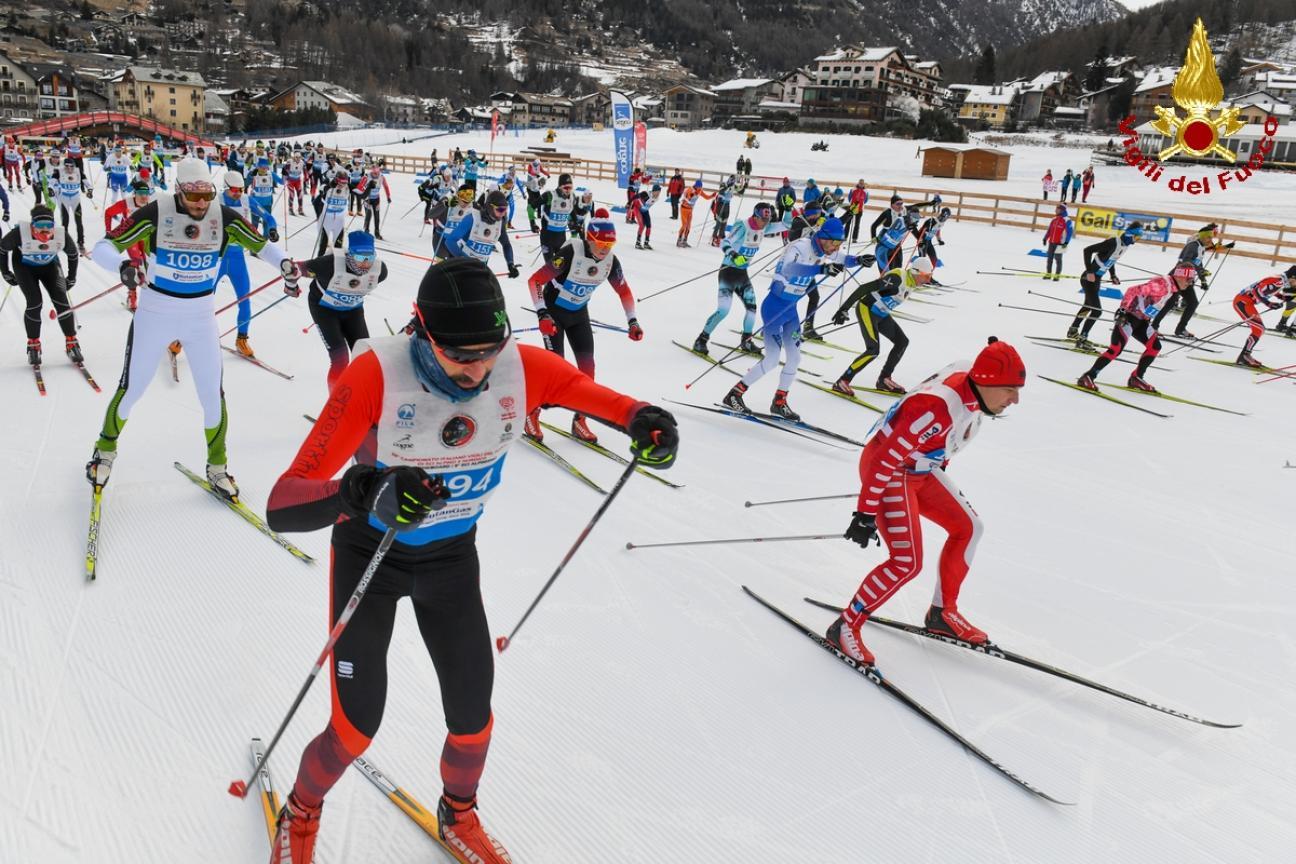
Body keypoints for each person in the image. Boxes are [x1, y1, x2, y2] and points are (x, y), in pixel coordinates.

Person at [261, 257, 678, 864]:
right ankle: (300, 812)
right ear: (421, 330)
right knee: (354, 729)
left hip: (451, 558)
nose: (477, 369)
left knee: (473, 717)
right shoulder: (376, 374)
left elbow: (602, 400)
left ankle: (459, 813)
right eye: (459, 354)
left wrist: (646, 420)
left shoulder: (520, 367)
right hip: (370, 557)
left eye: (490, 350)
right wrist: (359, 491)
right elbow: (282, 505)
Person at [85, 159, 296, 498]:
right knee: (132, 388)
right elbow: (103, 246)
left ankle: (217, 467)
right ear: (179, 190)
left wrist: (285, 263)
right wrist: (122, 264)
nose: (200, 203)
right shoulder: (156, 212)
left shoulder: (223, 216)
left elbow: (262, 245)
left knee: (212, 395)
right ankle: (104, 451)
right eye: (193, 196)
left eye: (206, 195)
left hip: (200, 316)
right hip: (155, 312)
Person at [823, 338, 1026, 663]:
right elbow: (884, 459)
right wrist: (865, 513)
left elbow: (945, 433)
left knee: (969, 528)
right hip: (890, 470)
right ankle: (845, 627)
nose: (1014, 399)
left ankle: (942, 614)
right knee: (907, 561)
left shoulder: (970, 376)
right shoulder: (936, 409)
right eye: (1009, 390)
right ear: (986, 382)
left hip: (920, 467)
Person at [722, 217, 870, 420]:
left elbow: (844, 259)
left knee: (795, 357)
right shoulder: (799, 247)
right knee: (773, 359)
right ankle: (734, 394)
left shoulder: (825, 249)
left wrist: (859, 260)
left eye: (839, 244)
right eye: (834, 243)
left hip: (791, 309)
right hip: (774, 307)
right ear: (823, 238)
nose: (836, 247)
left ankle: (779, 402)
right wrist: (822, 269)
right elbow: (789, 270)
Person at [524, 209, 643, 443]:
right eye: (599, 244)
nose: (604, 250)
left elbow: (624, 291)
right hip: (554, 314)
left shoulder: (610, 261)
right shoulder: (570, 252)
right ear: (589, 239)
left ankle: (580, 421)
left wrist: (632, 321)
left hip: (579, 315)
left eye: (609, 245)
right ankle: (531, 413)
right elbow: (535, 280)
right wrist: (542, 314)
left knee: (587, 373)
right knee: (553, 372)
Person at [1076, 264, 1194, 394]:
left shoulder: (1171, 288)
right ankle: (1088, 376)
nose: (1190, 283)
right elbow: (1132, 290)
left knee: (1155, 347)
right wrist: (1122, 310)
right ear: (1179, 276)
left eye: (1192, 280)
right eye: (1188, 279)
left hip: (1142, 320)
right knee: (1116, 348)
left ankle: (1136, 378)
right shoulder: (1162, 285)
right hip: (1128, 317)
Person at [692, 202, 791, 356]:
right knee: (723, 310)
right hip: (728, 272)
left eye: (767, 220)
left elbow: (786, 225)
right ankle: (701, 340)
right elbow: (725, 242)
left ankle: (746, 340)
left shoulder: (764, 227)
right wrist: (733, 255)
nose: (765, 223)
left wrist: (789, 209)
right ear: (755, 215)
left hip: (742, 274)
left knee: (751, 308)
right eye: (762, 220)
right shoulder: (743, 226)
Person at [297, 230, 389, 389]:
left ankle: (361, 397)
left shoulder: (380, 271)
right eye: (360, 258)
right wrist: (291, 279)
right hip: (324, 310)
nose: (365, 263)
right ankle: (335, 405)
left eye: (370, 257)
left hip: (353, 311)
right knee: (340, 358)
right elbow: (298, 268)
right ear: (350, 255)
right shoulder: (329, 264)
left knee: (365, 356)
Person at [829, 257, 931, 396]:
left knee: (902, 342)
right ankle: (842, 381)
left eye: (929, 276)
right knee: (873, 350)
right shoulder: (897, 278)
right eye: (925, 276)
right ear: (915, 271)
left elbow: (885, 294)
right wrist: (843, 309)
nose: (927, 280)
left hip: (881, 314)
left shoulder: (911, 282)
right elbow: (864, 288)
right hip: (867, 309)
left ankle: (884, 379)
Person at [0, 204, 81, 367]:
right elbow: (2, 248)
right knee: (35, 302)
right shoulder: (19, 233)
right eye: (39, 226)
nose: (45, 231)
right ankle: (33, 344)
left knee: (62, 302)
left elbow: (73, 254)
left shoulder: (60, 235)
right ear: (31, 225)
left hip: (50, 267)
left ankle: (71, 341)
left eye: (49, 226)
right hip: (24, 267)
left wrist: (71, 277)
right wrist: (6, 272)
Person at [216, 170, 277, 357]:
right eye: (234, 190)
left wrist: (272, 228)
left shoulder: (246, 199)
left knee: (245, 300)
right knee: (201, 301)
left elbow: (267, 216)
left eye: (241, 189)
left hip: (237, 258)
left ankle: (242, 339)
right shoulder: (214, 201)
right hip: (216, 258)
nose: (238, 193)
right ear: (226, 187)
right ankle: (181, 338)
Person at [1067, 222, 1143, 347]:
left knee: (1088, 306)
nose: (1137, 240)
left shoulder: (1124, 246)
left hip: (1096, 279)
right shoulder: (1113, 242)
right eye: (1136, 237)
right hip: (1088, 279)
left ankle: (1073, 330)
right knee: (1097, 311)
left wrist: (1112, 275)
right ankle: (1082, 338)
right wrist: (1090, 271)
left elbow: (1111, 260)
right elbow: (1087, 250)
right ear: (1130, 235)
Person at [1154, 223, 1233, 339]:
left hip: (1187, 279)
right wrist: (1200, 270)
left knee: (1193, 303)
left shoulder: (1201, 248)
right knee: (1171, 303)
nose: (1210, 240)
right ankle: (1153, 326)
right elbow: (1186, 261)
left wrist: (1203, 280)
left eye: (1211, 237)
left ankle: (1180, 329)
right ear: (1202, 236)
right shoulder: (1193, 245)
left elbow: (1198, 263)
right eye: (1208, 237)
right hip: (1177, 277)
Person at [442, 189, 518, 278]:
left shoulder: (500, 224)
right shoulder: (473, 218)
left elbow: (506, 244)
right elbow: (450, 241)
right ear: (490, 207)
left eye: (505, 210)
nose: (503, 214)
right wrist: (465, 260)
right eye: (500, 210)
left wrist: (510, 264)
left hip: (479, 269)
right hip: (460, 266)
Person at [103, 181, 153, 312]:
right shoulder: (126, 203)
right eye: (141, 193)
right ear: (134, 193)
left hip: (147, 238)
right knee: (137, 265)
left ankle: (151, 298)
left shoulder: (152, 204)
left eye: (147, 193)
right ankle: (132, 296)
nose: (144, 197)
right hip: (131, 238)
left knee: (150, 267)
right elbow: (108, 213)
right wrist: (108, 231)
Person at [1232, 267, 1296, 368]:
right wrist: (1269, 304)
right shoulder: (1278, 281)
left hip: (1246, 302)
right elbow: (1256, 291)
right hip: (1243, 302)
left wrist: (1282, 297)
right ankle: (1244, 356)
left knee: (1259, 329)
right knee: (1258, 329)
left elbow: (1269, 290)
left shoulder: (1280, 280)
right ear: (1293, 277)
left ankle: (1245, 355)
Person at [49, 150, 91, 254]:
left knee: (79, 221)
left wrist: (90, 190)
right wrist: (51, 190)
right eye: (67, 166)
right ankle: (65, 241)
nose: (69, 169)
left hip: (75, 200)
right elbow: (52, 183)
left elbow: (87, 183)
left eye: (71, 166)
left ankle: (81, 242)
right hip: (64, 199)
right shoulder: (58, 171)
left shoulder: (78, 172)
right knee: (65, 221)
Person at [538, 173, 576, 262]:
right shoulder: (549, 195)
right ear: (560, 187)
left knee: (561, 268)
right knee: (550, 267)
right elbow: (530, 207)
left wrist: (575, 224)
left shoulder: (572, 197)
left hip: (561, 238)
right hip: (546, 238)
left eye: (570, 188)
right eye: (566, 188)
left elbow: (571, 212)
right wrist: (532, 223)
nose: (568, 190)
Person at [870, 195, 913, 273]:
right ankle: (886, 279)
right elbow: (874, 226)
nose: (900, 206)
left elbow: (917, 206)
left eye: (901, 203)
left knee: (898, 265)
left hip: (896, 242)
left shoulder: (903, 212)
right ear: (892, 205)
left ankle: (896, 280)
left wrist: (931, 203)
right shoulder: (887, 213)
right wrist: (873, 237)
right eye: (898, 204)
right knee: (887, 265)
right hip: (885, 242)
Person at [313, 173, 352, 257]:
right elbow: (320, 194)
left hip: (339, 222)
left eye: (344, 183)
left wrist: (369, 187)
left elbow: (360, 194)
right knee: (323, 246)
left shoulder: (347, 188)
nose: (342, 185)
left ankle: (335, 265)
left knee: (338, 248)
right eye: (340, 183)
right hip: (326, 220)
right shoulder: (328, 183)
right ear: (336, 180)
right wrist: (318, 216)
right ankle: (318, 265)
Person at [356, 165, 392, 240]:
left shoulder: (382, 177)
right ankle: (366, 230)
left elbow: (386, 187)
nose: (376, 175)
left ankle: (377, 232)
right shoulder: (367, 177)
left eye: (377, 173)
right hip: (367, 198)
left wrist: (388, 196)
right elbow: (359, 187)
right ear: (372, 171)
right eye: (374, 173)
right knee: (368, 215)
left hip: (376, 199)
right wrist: (367, 187)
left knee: (377, 216)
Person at [247, 157, 281, 235]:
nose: (263, 169)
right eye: (261, 167)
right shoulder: (253, 174)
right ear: (258, 167)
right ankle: (252, 242)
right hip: (255, 204)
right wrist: (251, 176)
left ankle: (265, 242)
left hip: (267, 204)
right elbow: (245, 184)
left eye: (265, 167)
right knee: (254, 225)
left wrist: (285, 173)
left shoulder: (271, 174)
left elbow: (282, 182)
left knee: (266, 224)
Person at [1041, 204, 1073, 282]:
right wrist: (1045, 238)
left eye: (1057, 209)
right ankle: (1048, 274)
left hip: (1060, 243)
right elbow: (1049, 230)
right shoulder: (1054, 219)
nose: (1055, 210)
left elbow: (1069, 233)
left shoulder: (1067, 220)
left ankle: (1057, 275)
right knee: (1049, 259)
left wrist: (1066, 242)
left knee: (1058, 259)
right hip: (1051, 242)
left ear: (1062, 210)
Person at [676, 180, 713, 248]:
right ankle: (679, 240)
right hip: (684, 208)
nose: (700, 188)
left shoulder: (700, 191)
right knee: (684, 225)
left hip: (690, 210)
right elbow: (687, 198)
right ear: (695, 186)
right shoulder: (690, 189)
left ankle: (685, 240)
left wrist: (712, 196)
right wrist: (692, 195)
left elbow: (706, 197)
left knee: (688, 226)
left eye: (701, 187)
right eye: (699, 187)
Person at [709, 176, 737, 247]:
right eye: (731, 180)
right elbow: (721, 192)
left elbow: (739, 190)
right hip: (721, 204)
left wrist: (744, 187)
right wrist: (728, 188)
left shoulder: (733, 186)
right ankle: (714, 237)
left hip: (727, 205)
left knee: (724, 222)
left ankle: (720, 236)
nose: (732, 182)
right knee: (719, 222)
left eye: (734, 181)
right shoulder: (724, 184)